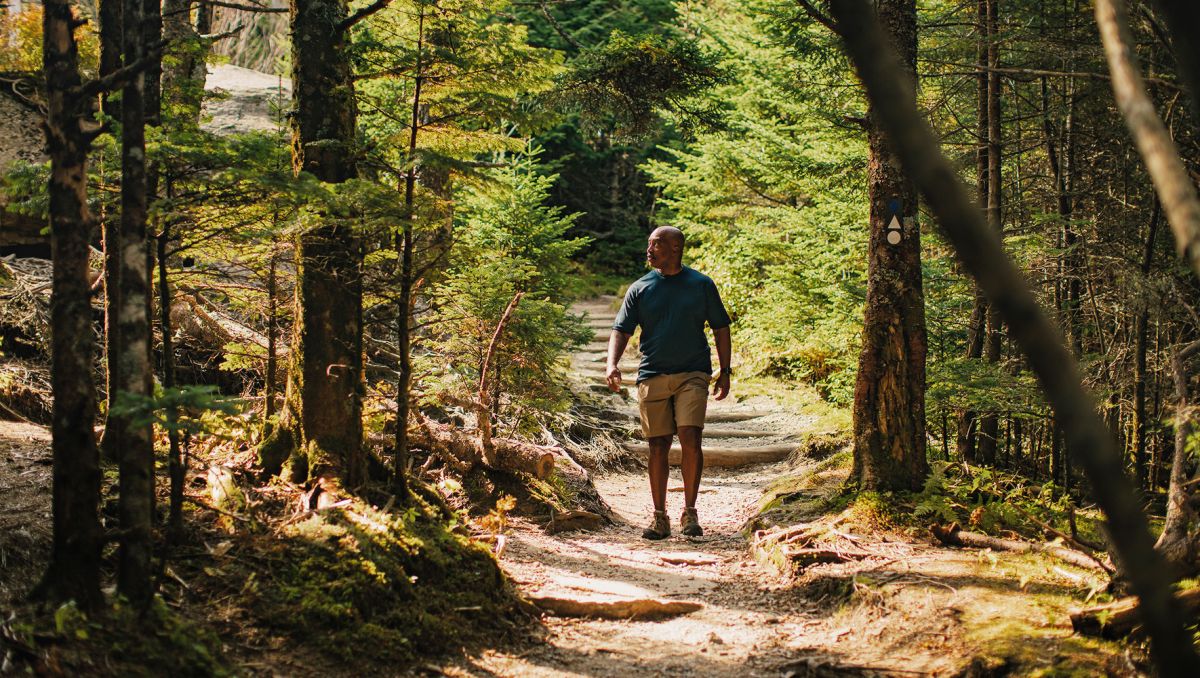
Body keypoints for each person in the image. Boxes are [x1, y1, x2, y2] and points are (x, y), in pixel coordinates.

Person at [606, 226, 732, 539]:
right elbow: (621, 330)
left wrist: (725, 371)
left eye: (656, 244)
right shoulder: (640, 287)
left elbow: (720, 328)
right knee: (658, 445)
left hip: (693, 373)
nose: (649, 250)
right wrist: (612, 363)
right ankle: (659, 516)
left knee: (691, 437)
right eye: (649, 244)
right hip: (652, 375)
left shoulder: (701, 285)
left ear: (675, 247)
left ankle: (690, 513)